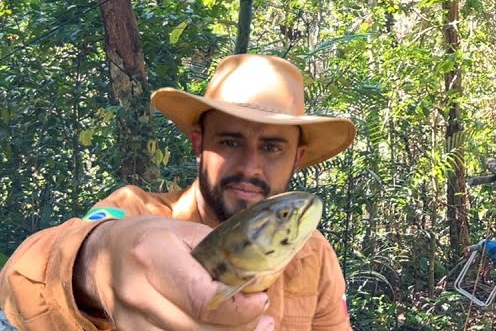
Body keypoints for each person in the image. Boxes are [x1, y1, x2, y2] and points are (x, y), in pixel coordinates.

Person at [0, 54, 357, 331]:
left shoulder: (314, 255)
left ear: (297, 158)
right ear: (198, 143)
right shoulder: (135, 211)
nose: (250, 166)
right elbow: (19, 284)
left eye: (272, 148)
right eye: (230, 141)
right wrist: (97, 262)